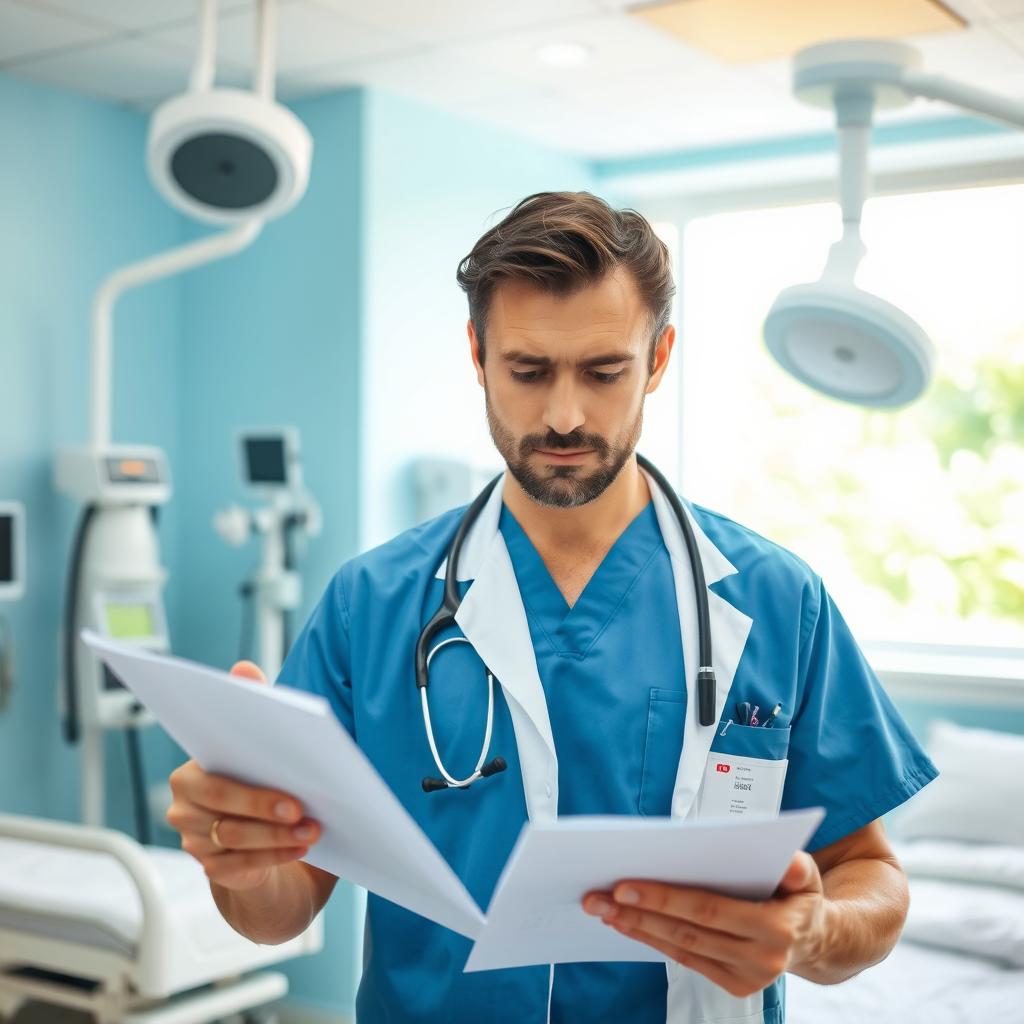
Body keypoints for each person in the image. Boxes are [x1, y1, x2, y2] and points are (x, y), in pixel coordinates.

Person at [166, 191, 939, 1023]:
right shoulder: (371, 606)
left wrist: (815, 931)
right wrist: (239, 862)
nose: (564, 416)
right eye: (528, 371)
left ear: (658, 358)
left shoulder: (778, 600)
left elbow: (869, 871)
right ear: (477, 355)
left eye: (604, 372)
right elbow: (279, 910)